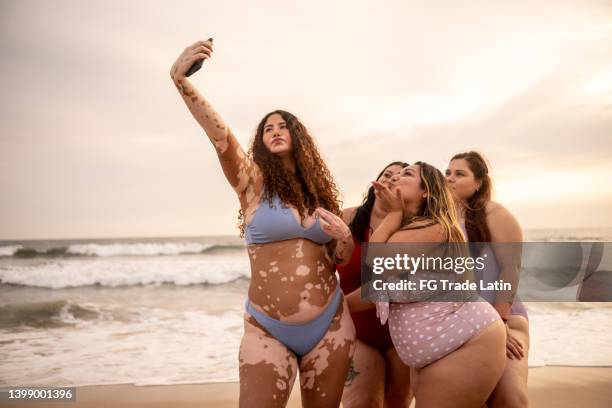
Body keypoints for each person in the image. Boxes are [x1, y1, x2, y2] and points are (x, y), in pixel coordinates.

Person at [170, 39, 355, 408]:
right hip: (268, 328)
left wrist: (345, 236)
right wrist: (181, 80)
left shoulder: (320, 195)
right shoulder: (252, 185)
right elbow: (221, 138)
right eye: (268, 127)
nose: (274, 130)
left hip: (331, 326)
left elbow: (340, 258)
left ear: (298, 137)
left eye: (283, 126)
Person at [371, 162, 507, 408]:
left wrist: (392, 213)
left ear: (427, 192)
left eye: (407, 174)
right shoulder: (408, 227)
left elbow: (378, 261)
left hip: (467, 341)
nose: (397, 178)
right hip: (435, 348)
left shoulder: (436, 228)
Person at [446, 151, 529, 408]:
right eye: (448, 172)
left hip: (504, 318)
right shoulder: (440, 219)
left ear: (479, 182)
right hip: (459, 324)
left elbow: (511, 270)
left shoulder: (495, 214)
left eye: (460, 174)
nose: (450, 178)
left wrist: (499, 322)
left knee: (509, 398)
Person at [339, 161, 413, 407]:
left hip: (403, 334)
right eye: (387, 174)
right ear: (375, 183)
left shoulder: (414, 229)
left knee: (397, 403)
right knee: (361, 403)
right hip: (356, 331)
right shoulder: (347, 218)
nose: (392, 179)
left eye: (401, 176)